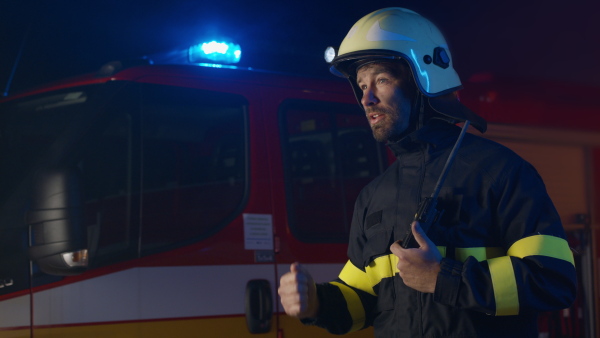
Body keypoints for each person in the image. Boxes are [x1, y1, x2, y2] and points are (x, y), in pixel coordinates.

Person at [278, 7, 577, 337]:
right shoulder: (373, 197)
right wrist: (316, 303)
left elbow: (553, 279)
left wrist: (443, 278)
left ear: (423, 82)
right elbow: (362, 300)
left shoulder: (500, 172)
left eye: (381, 80)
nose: (367, 98)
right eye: (362, 86)